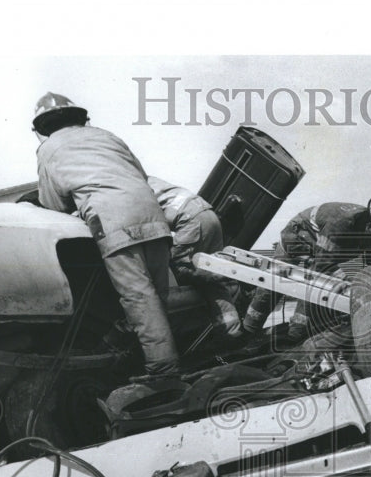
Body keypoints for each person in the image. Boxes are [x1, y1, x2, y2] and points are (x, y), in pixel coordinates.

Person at [32, 92, 179, 377]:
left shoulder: (48, 148)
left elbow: (52, 203)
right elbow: (140, 173)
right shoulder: (108, 136)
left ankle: (163, 373)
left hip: (113, 221)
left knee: (139, 299)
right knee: (157, 298)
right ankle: (158, 358)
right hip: (154, 217)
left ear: (41, 127)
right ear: (80, 117)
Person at [241, 197, 371, 341]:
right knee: (275, 285)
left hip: (321, 250)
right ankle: (249, 331)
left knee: (326, 287)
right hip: (297, 239)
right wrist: (350, 285)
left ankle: (295, 335)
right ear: (370, 227)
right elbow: (322, 268)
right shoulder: (339, 224)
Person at [146, 176, 242, 340]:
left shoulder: (131, 186)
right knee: (214, 282)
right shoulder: (150, 180)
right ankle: (232, 332)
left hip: (191, 221)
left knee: (180, 268)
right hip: (210, 217)